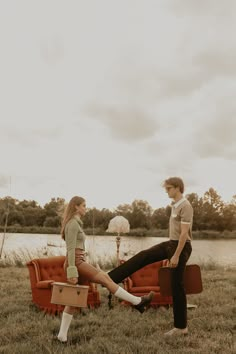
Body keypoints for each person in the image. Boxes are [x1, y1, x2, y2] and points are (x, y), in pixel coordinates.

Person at [56, 196, 154, 343]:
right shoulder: (73, 224)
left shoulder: (76, 223)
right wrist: (72, 271)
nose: (85, 208)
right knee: (105, 279)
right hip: (75, 263)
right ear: (76, 207)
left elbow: (75, 249)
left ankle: (61, 336)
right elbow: (70, 249)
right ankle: (138, 302)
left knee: (73, 300)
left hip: (78, 261)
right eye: (83, 205)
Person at [108, 177, 193, 336]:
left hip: (181, 248)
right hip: (170, 244)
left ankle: (181, 327)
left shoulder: (185, 206)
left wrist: (175, 256)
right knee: (144, 255)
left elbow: (184, 234)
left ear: (177, 188)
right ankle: (110, 278)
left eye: (168, 188)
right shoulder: (175, 205)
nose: (166, 191)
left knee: (177, 286)